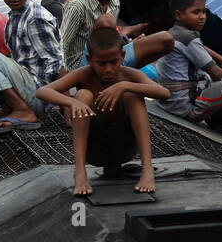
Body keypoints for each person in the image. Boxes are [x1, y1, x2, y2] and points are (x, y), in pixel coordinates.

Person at [37, 26, 170, 196]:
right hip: (94, 149)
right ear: (90, 60)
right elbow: (42, 91)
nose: (108, 69)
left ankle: (147, 170)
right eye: (101, 63)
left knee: (132, 95)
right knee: (82, 95)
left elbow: (164, 93)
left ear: (122, 57)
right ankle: (80, 173)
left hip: (125, 147)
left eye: (113, 62)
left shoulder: (129, 76)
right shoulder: (84, 75)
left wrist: (124, 86)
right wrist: (72, 102)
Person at [156, 0, 222, 129]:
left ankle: (221, 115)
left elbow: (205, 51)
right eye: (196, 12)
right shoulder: (187, 37)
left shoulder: (177, 33)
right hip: (185, 108)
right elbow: (216, 73)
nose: (202, 16)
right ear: (178, 15)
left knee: (211, 79)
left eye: (204, 11)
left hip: (171, 102)